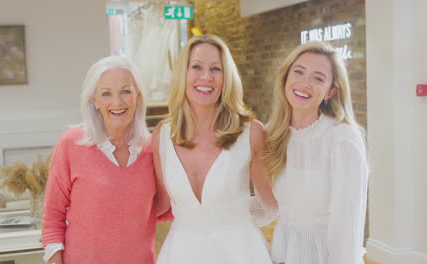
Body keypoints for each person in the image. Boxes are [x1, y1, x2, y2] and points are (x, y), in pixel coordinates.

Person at [152, 34, 277, 264]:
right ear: (183, 73)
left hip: (241, 254)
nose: (206, 77)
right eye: (197, 67)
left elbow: (270, 202)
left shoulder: (250, 133)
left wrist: (234, 217)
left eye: (216, 69)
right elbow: (160, 204)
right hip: (180, 254)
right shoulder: (161, 135)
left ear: (226, 77)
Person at [42, 56, 160, 264]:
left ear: (138, 96)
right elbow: (53, 216)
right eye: (106, 94)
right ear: (94, 100)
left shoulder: (154, 148)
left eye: (126, 91)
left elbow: (166, 209)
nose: (117, 102)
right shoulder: (71, 143)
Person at [263, 41, 369, 264]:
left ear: (330, 91)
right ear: (285, 78)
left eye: (318, 78)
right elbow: (270, 207)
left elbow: (347, 228)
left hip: (325, 256)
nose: (305, 83)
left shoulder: (342, 139)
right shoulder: (272, 133)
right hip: (283, 252)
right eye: (299, 72)